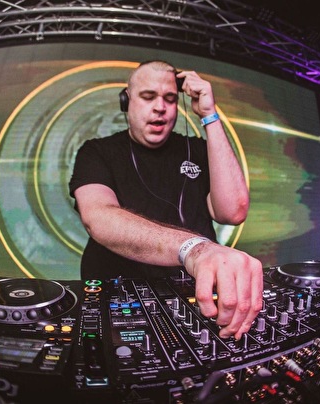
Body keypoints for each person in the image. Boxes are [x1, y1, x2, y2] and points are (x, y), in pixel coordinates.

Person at [69, 60, 263, 340]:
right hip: (119, 300)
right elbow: (98, 217)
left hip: (193, 299)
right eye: (148, 96)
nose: (160, 107)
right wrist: (194, 249)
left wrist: (209, 115)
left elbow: (233, 212)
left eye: (170, 99)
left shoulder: (199, 150)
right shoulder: (97, 152)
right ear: (127, 100)